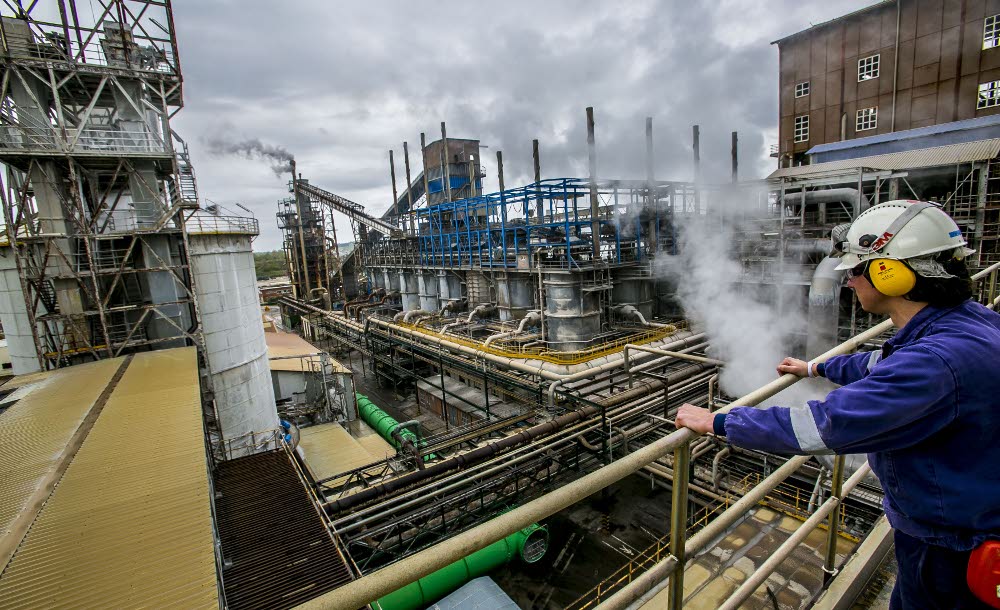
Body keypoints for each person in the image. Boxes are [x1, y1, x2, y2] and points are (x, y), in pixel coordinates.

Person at [675, 200, 1000, 609]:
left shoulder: (935, 362)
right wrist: (815, 367)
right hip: (963, 514)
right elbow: (882, 361)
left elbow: (825, 426)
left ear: (890, 273)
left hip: (952, 544)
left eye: (854, 270)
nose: (848, 282)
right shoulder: (964, 323)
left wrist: (720, 422)